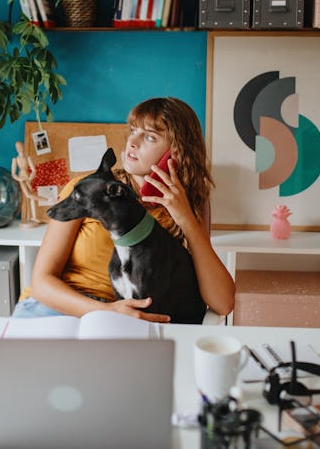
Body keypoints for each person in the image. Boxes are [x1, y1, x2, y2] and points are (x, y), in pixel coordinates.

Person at [12, 97, 236, 322]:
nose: (133, 142)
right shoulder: (87, 190)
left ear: (176, 152)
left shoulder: (191, 205)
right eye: (133, 131)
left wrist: (186, 218)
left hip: (125, 320)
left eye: (149, 136)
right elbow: (41, 283)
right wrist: (107, 311)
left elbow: (223, 302)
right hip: (60, 308)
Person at [11, 140, 46, 227]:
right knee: (27, 195)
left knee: (31, 197)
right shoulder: (15, 159)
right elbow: (13, 173)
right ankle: (44, 199)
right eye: (18, 147)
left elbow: (34, 170)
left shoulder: (28, 158)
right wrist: (19, 178)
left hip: (27, 178)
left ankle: (33, 217)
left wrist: (30, 178)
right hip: (21, 179)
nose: (20, 149)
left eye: (21, 146)